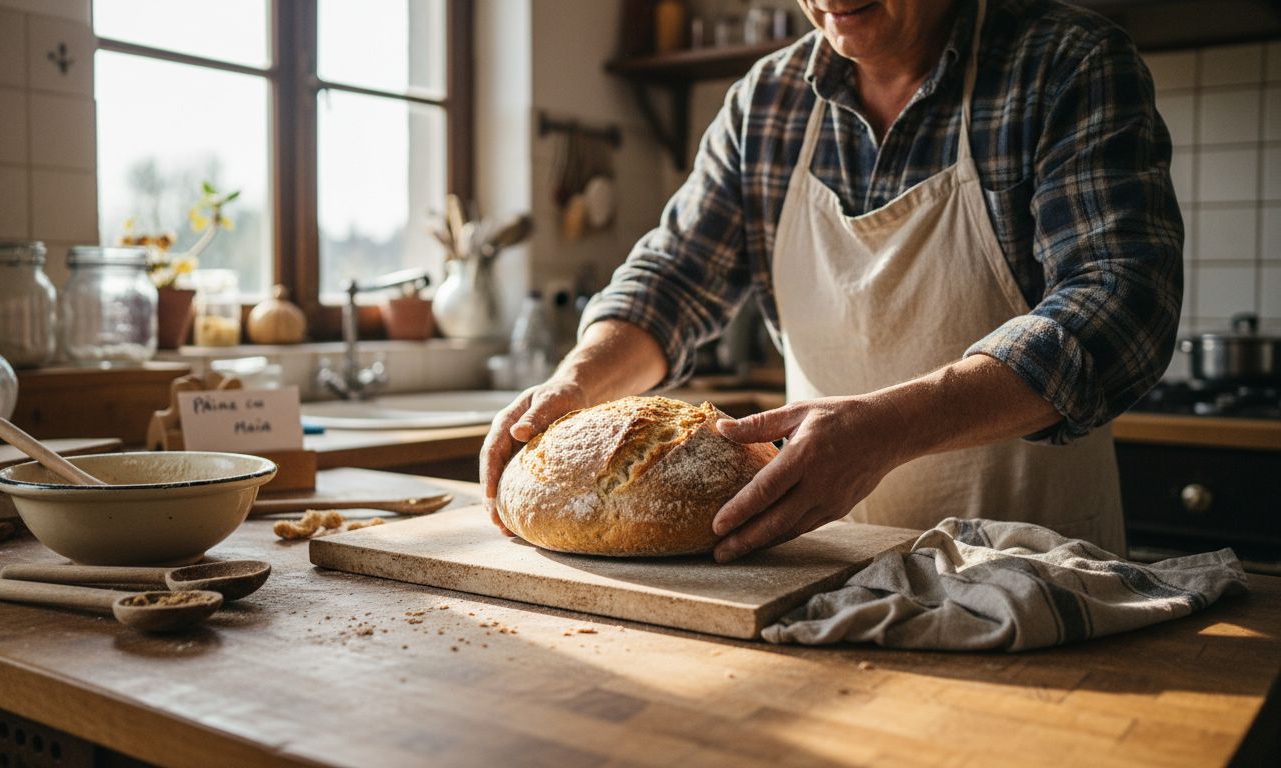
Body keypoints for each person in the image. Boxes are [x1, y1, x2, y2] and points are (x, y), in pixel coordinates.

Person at [481, 0, 1183, 563]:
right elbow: (669, 280)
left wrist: (888, 429)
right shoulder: (766, 103)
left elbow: (1120, 300)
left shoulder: (1066, 64)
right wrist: (577, 383)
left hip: (1035, 567)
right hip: (822, 569)